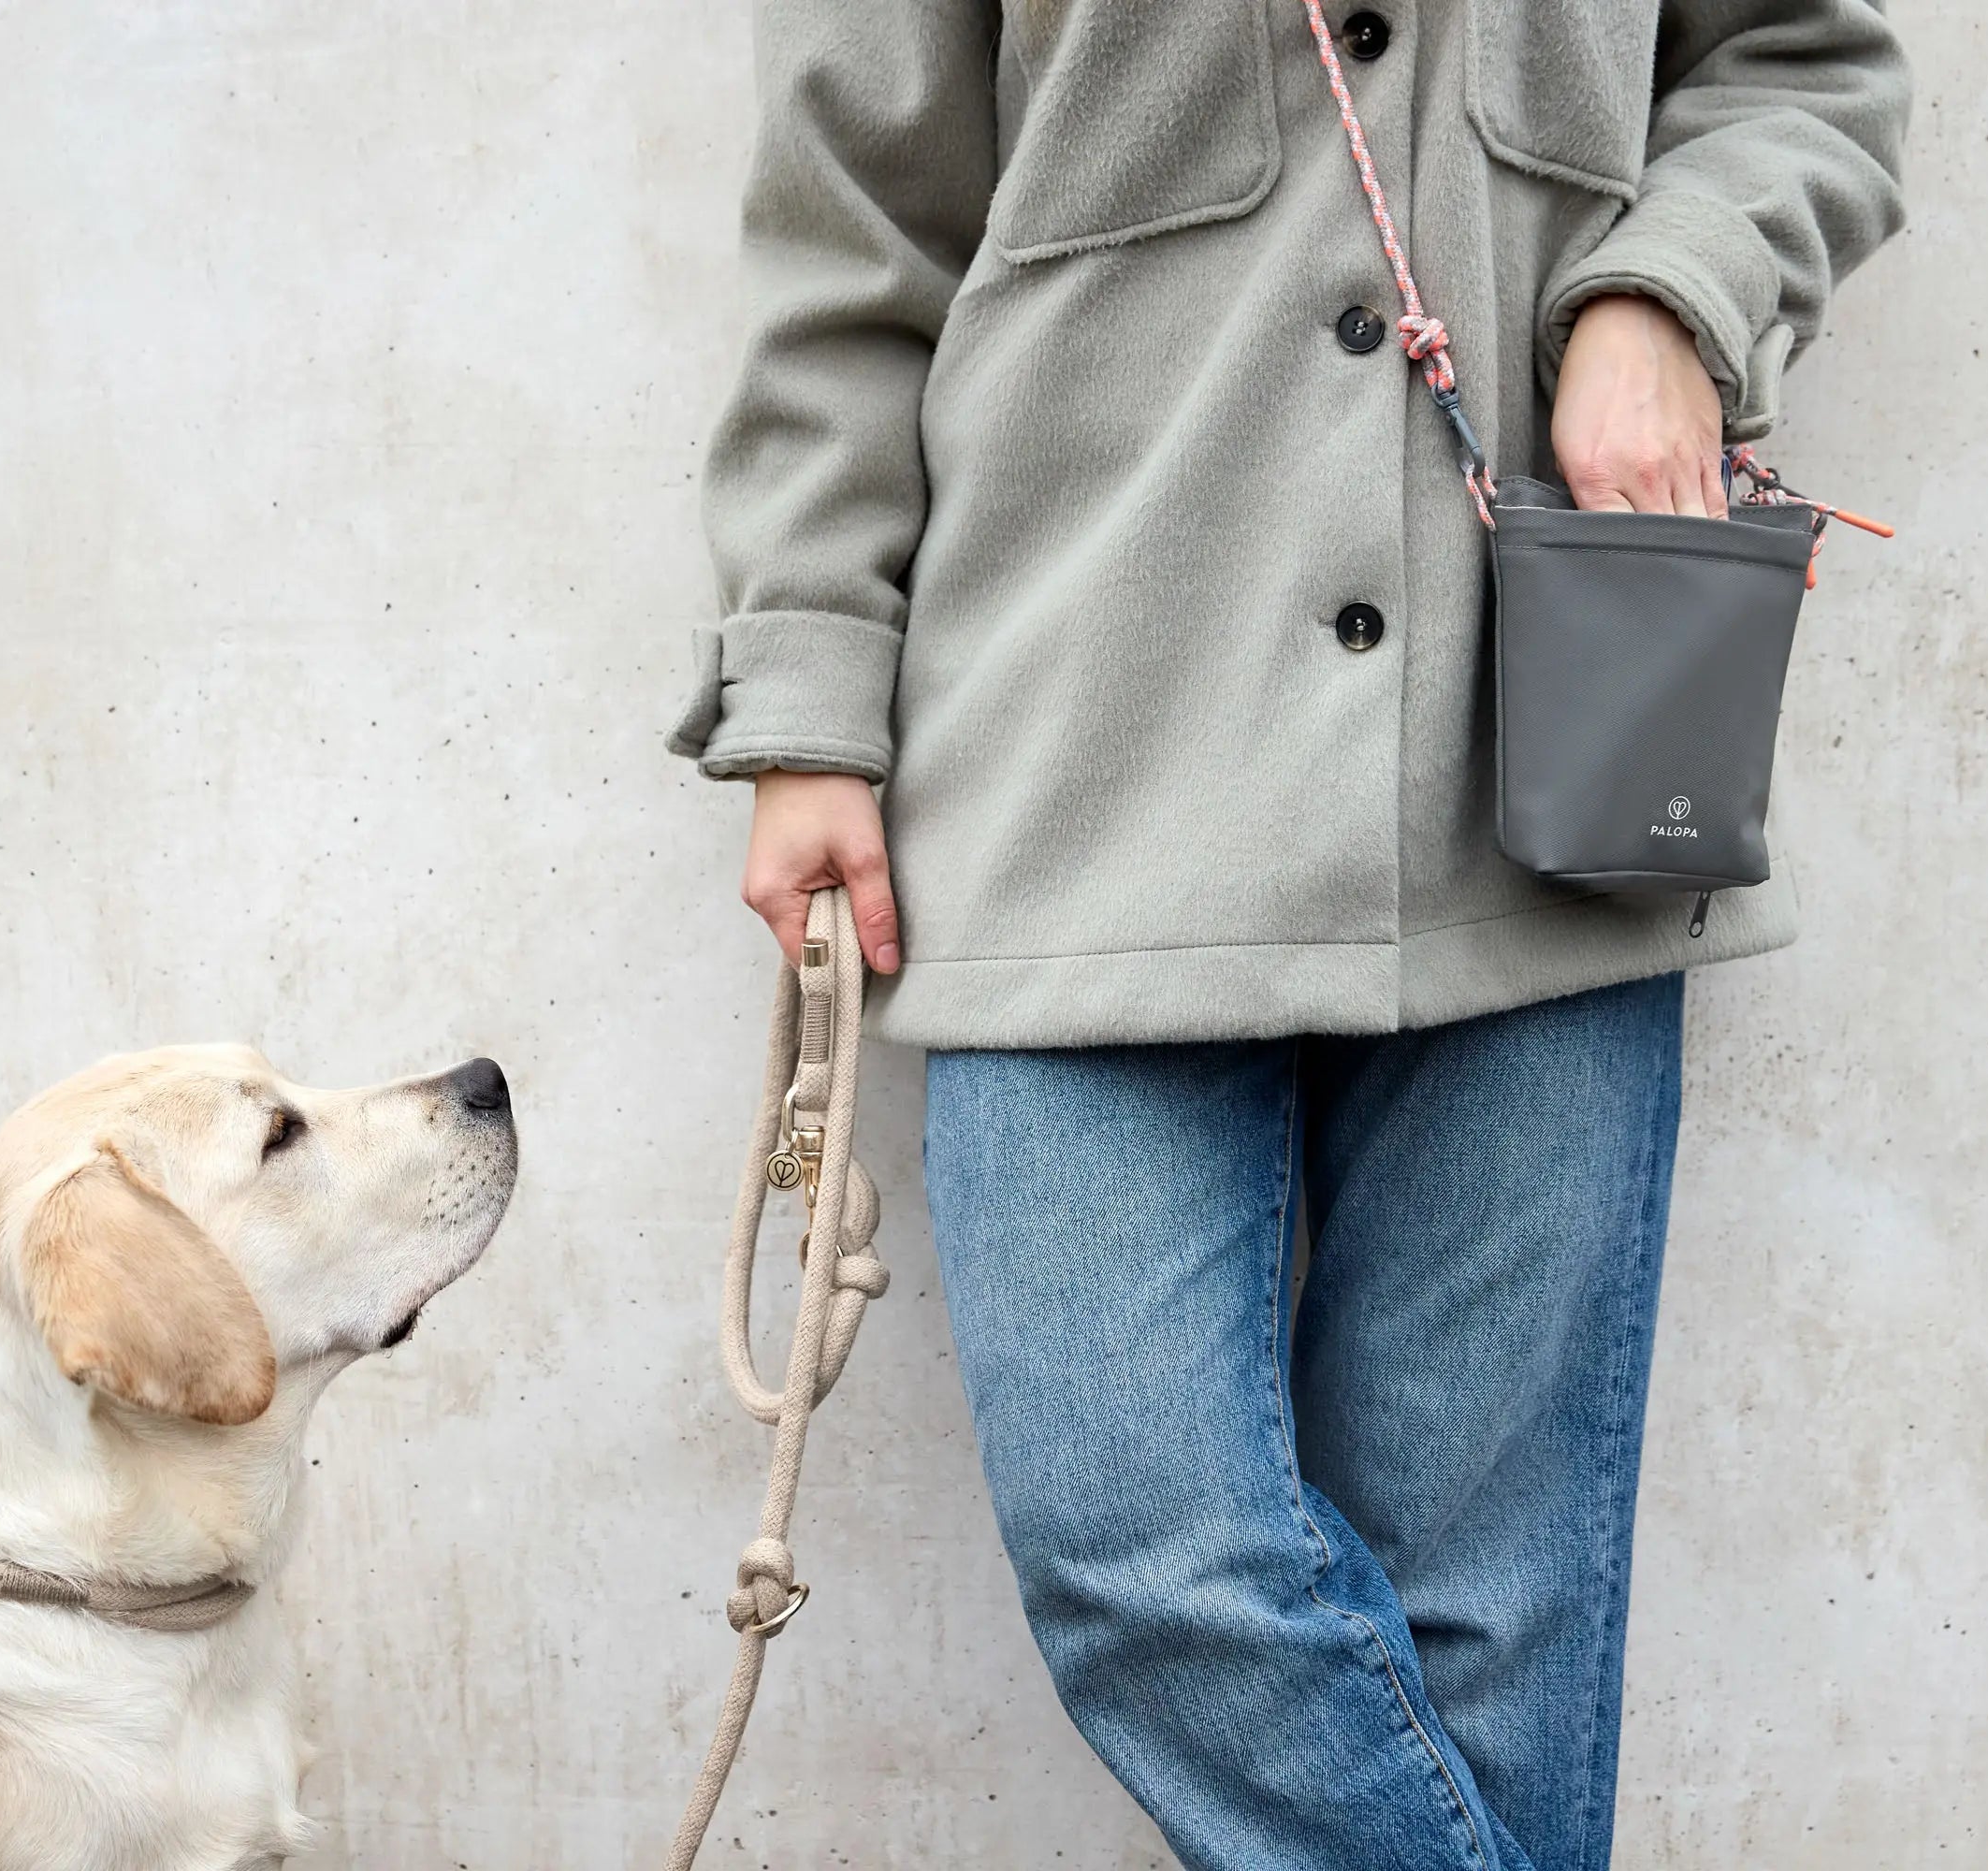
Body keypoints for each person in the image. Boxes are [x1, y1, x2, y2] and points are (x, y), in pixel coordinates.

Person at [668, 4, 1908, 1867]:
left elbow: (1804, 64)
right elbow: (855, 227)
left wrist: (1672, 293)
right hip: (1070, 764)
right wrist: (808, 689)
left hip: (1535, 777)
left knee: (1487, 1618)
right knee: (1138, 1559)